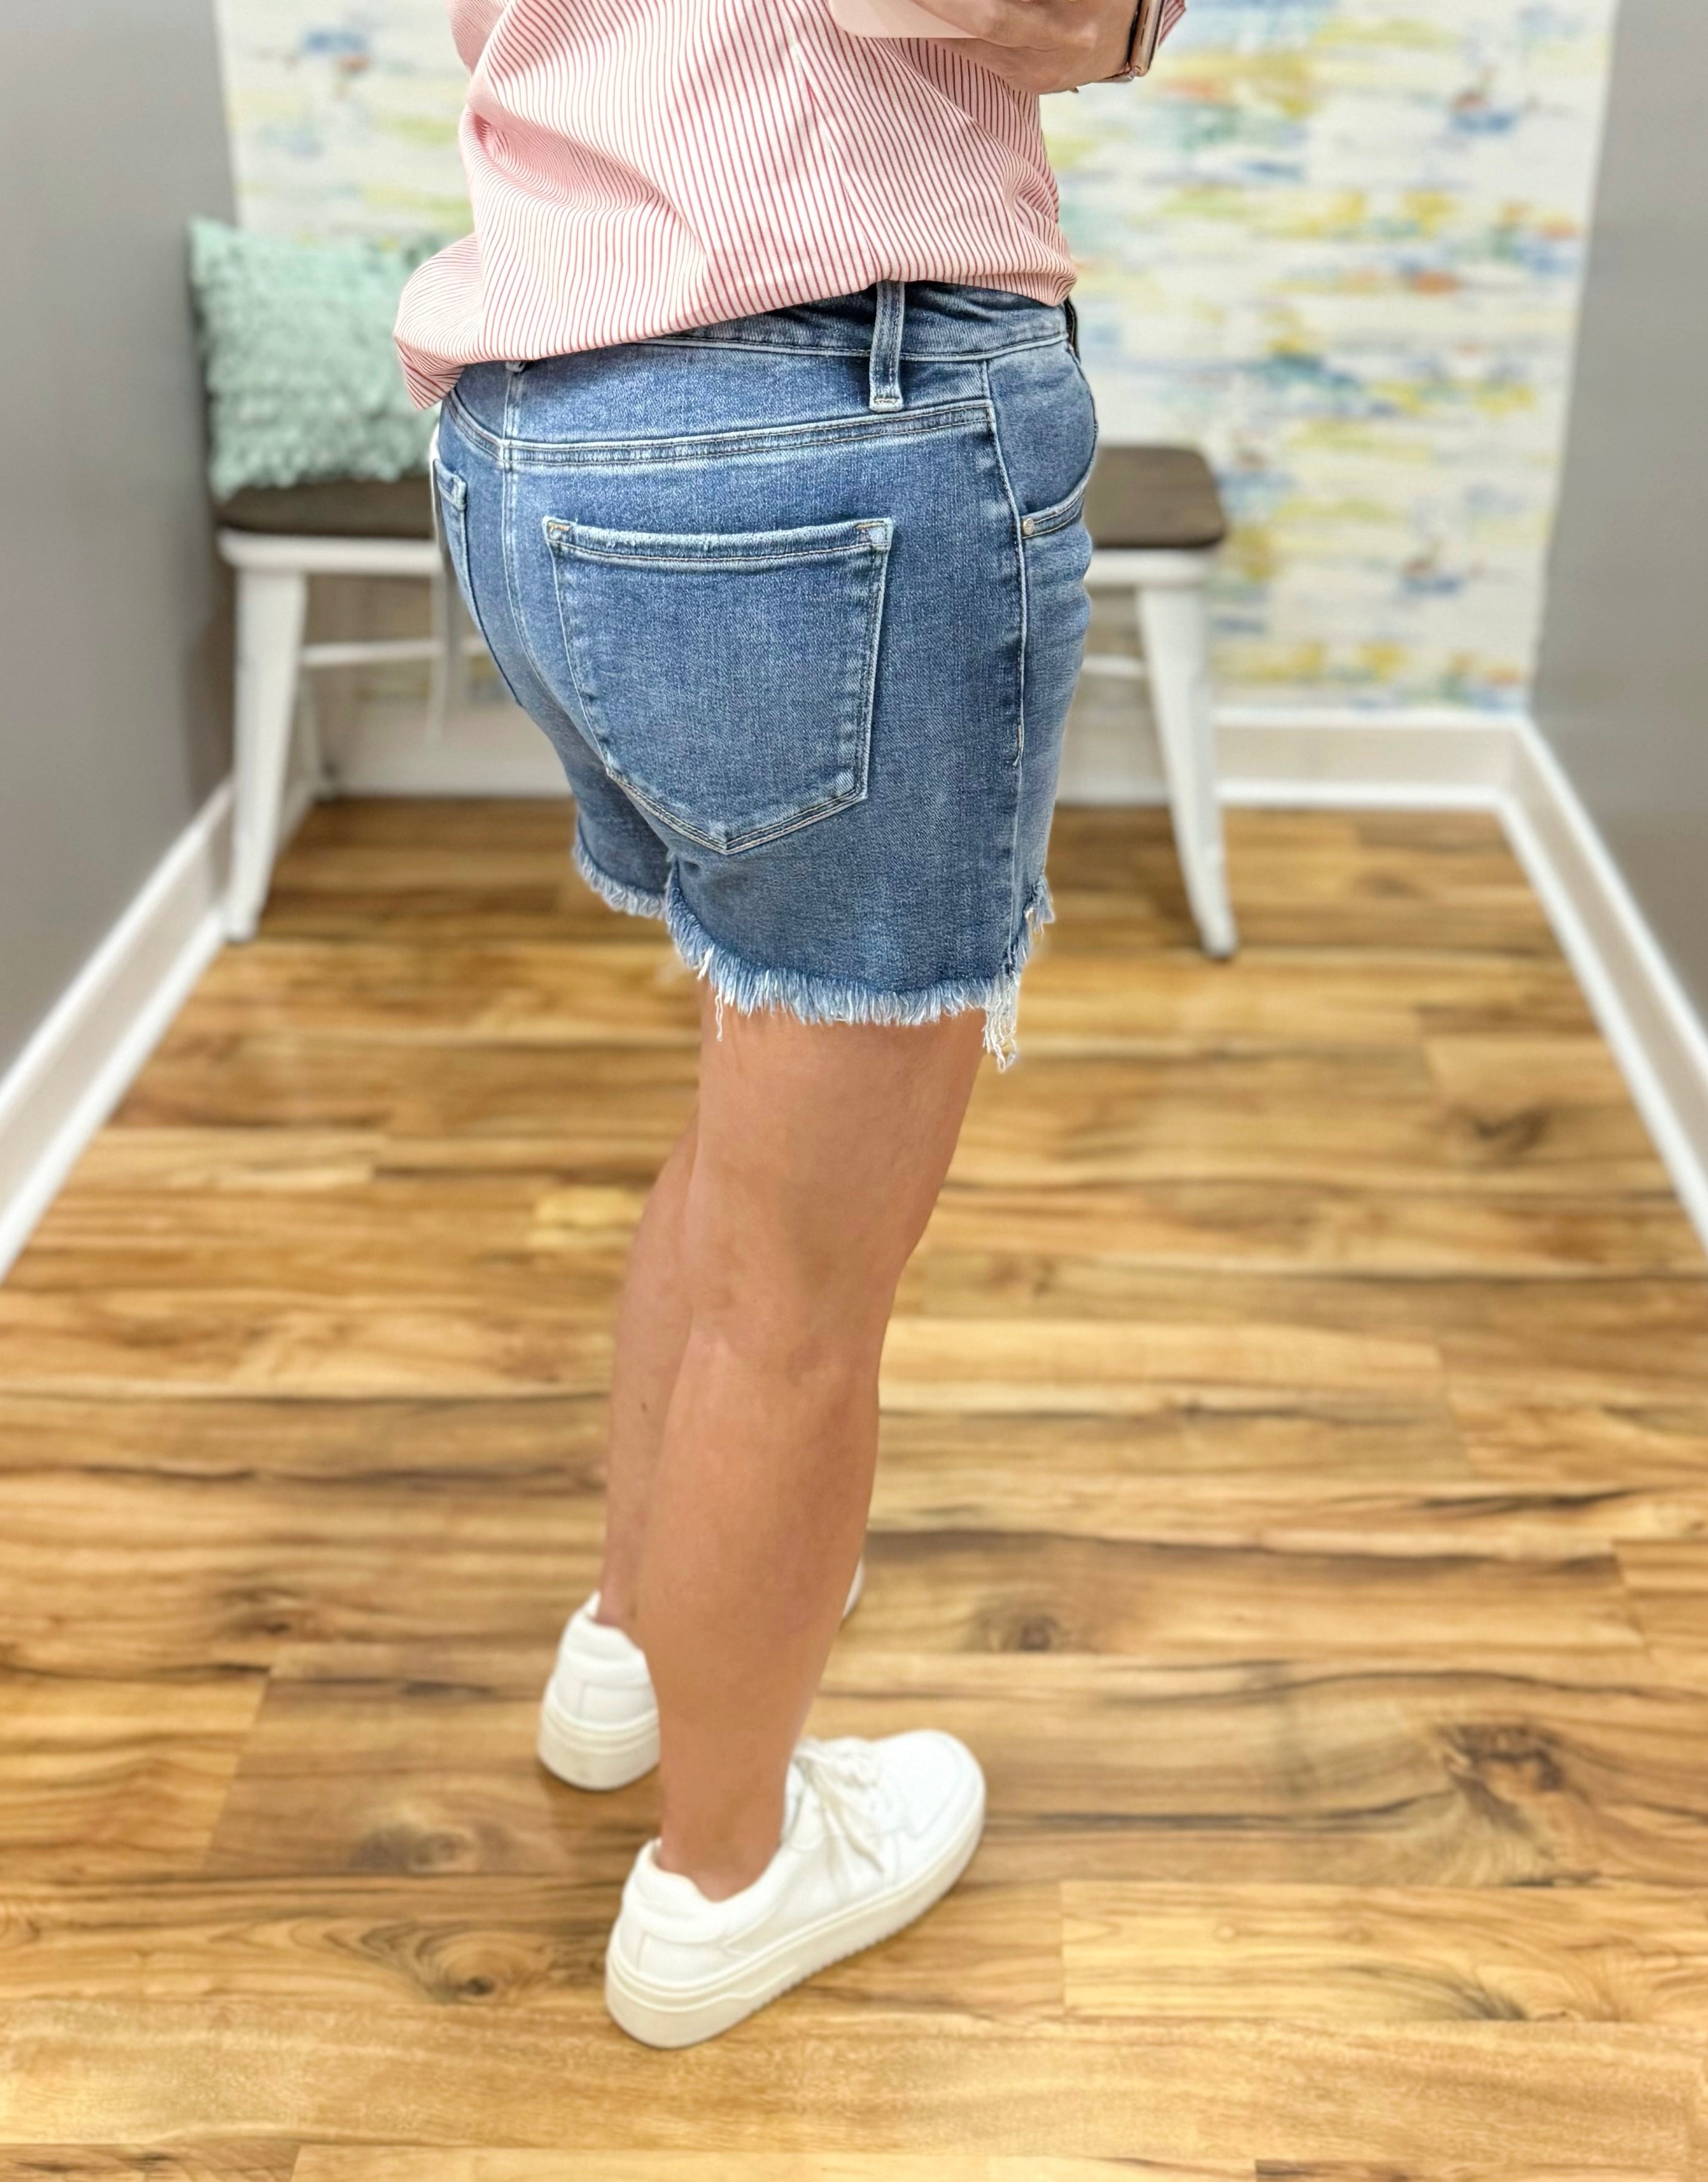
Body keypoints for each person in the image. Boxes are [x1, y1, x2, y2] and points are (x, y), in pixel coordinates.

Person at [397, 0, 1171, 2049]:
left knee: (752, 1108)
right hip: (831, 429)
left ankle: (631, 1651)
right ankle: (725, 1877)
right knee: (806, 1284)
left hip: (548, 418)